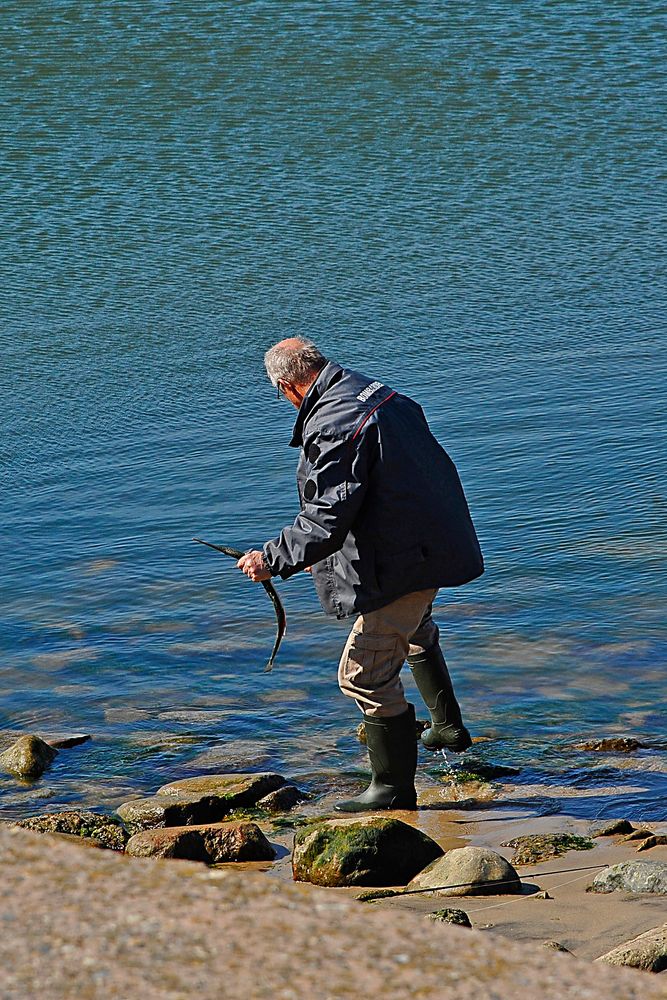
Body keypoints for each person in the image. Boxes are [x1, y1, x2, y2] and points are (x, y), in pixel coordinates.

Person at [237, 338, 484, 812]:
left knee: (363, 676)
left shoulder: (335, 422)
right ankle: (447, 727)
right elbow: (381, 488)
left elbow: (326, 517)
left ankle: (391, 790)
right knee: (413, 628)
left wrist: (272, 558)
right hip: (432, 544)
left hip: (406, 560)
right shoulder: (376, 392)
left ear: (288, 387)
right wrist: (325, 553)